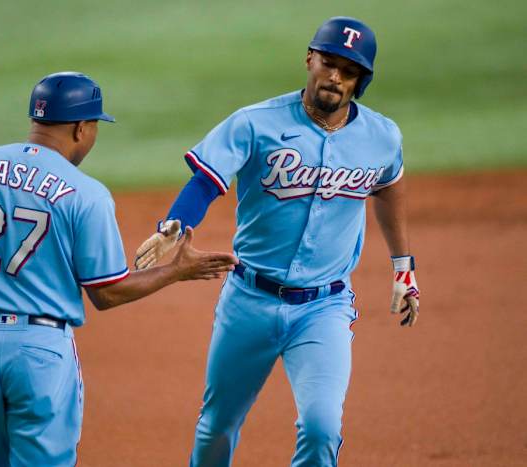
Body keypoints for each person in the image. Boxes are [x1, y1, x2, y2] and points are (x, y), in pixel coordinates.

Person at [0, 71, 237, 467]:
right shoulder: (85, 193)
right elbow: (107, 292)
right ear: (82, 127)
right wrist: (176, 271)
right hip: (39, 354)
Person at [134, 17, 420, 467]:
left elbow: (389, 185)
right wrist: (174, 223)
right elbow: (207, 180)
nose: (335, 77)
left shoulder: (382, 137)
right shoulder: (255, 123)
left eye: (349, 71)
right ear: (310, 59)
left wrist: (404, 268)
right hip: (249, 300)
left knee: (322, 428)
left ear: (361, 81)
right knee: (217, 427)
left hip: (324, 308)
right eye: (328, 63)